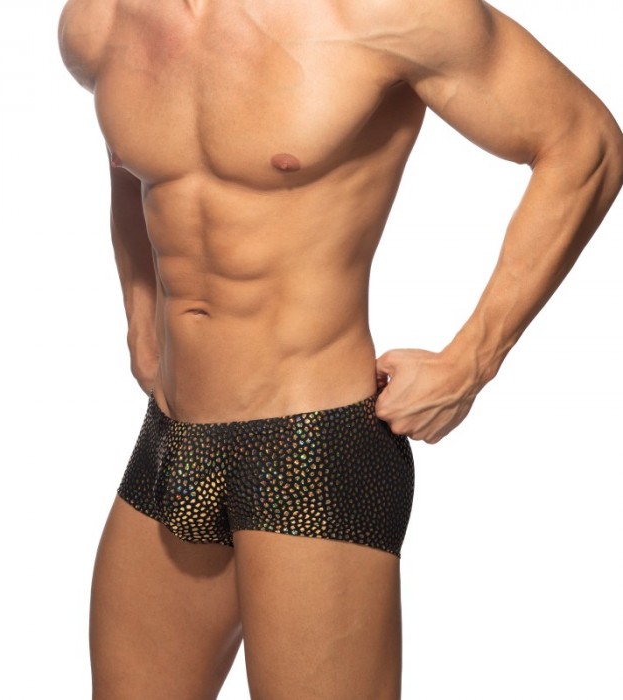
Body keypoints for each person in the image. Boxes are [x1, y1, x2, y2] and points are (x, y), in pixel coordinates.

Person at [58, 0, 622, 698]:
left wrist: (472, 360)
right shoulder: (100, 21)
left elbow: (585, 143)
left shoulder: (380, 11)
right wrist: (140, 314)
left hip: (313, 446)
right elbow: (134, 162)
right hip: (172, 439)